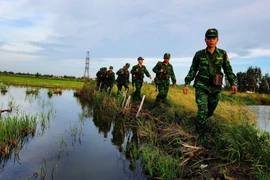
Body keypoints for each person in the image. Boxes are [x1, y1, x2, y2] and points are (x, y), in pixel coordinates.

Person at [183, 28, 237, 145]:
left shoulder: (222, 54)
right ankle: (200, 137)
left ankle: (199, 122)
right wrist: (187, 83)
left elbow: (228, 70)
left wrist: (233, 82)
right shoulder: (199, 54)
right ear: (205, 40)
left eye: (213, 38)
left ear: (217, 40)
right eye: (209, 38)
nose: (211, 40)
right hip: (201, 86)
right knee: (202, 111)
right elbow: (193, 69)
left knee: (210, 111)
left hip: (215, 87)